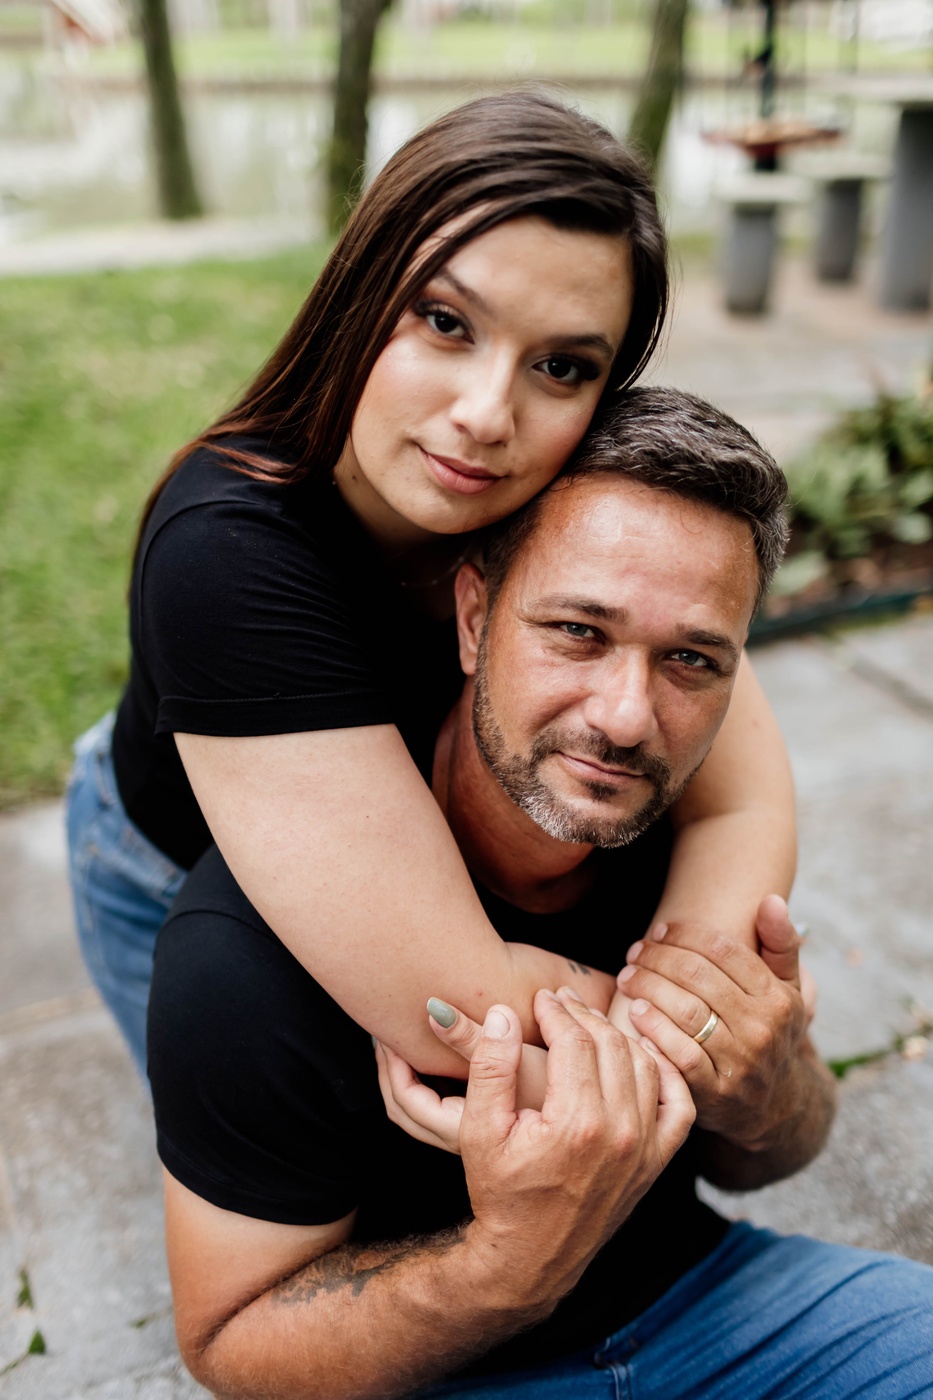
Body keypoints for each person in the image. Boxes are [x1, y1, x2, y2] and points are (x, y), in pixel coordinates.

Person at [148, 389, 933, 1400]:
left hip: (709, 1298)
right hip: (440, 1367)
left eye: (690, 659)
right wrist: (504, 1268)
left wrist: (771, 1086)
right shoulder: (249, 954)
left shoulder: (686, 852)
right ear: (474, 618)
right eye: (578, 630)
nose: (626, 716)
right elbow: (227, 1342)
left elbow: (765, 1152)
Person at [66, 91, 795, 1087]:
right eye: (446, 321)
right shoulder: (222, 555)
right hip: (167, 865)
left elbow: (741, 807)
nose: (487, 415)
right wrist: (696, 1036)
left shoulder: (558, 486)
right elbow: (456, 1003)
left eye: (561, 365)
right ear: (361, 293)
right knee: (244, 1112)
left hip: (405, 830)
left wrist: (696, 993)